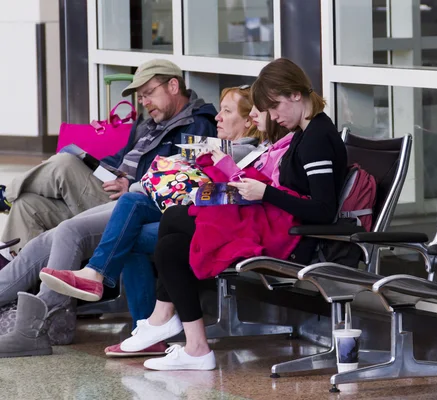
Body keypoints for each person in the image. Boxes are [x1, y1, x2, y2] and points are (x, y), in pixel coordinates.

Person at [53, 58, 347, 371]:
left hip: (291, 239)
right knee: (171, 244)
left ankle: (161, 319)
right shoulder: (305, 132)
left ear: (296, 95)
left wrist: (265, 193)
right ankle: (195, 348)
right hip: (274, 224)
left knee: (176, 218)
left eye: (274, 107)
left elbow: (324, 210)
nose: (273, 116)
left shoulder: (316, 138)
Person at [0, 86, 277, 359]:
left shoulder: (229, 147)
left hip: (182, 214)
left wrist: (142, 181)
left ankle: (41, 325)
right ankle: (122, 313)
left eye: (227, 111)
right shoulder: (153, 127)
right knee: (43, 214)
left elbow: (220, 190)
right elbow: (133, 162)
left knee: (73, 213)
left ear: (250, 122)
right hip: (146, 201)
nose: (218, 116)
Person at [0, 59, 218, 260]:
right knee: (27, 204)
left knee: (63, 165)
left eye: (149, 93)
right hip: (110, 192)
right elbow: (119, 160)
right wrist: (88, 163)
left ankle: (6, 194)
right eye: (141, 97)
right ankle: (20, 283)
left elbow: (186, 181)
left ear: (173, 86)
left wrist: (133, 185)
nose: (144, 102)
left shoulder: (197, 125)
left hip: (130, 205)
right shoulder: (149, 125)